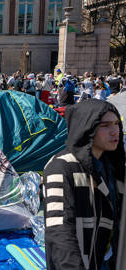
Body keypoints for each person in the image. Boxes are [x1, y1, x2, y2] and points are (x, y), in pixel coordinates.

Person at [43, 99, 124, 270]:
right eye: (105, 125)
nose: (114, 131)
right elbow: (59, 229)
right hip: (79, 263)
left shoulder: (114, 168)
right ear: (87, 127)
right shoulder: (62, 167)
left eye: (117, 124)